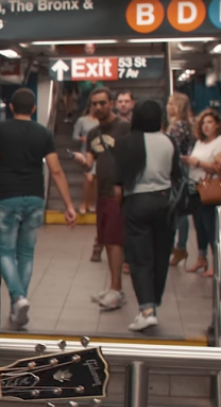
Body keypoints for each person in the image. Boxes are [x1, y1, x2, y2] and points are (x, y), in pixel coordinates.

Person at [0, 87, 77, 329]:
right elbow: (55, 169)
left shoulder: (1, 130)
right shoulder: (44, 133)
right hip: (34, 198)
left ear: (11, 108)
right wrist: (68, 204)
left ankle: (19, 297)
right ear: (33, 109)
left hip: (7, 197)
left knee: (4, 251)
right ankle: (17, 306)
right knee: (26, 253)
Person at [113, 100, 183, 332]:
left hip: (137, 202)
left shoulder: (125, 143)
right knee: (161, 254)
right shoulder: (169, 141)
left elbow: (118, 183)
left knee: (140, 258)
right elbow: (176, 175)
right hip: (164, 202)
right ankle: (154, 304)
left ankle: (146, 309)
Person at [72, 87, 132, 311]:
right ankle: (113, 286)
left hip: (119, 193)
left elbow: (133, 158)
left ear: (111, 103)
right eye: (94, 104)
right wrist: (81, 161)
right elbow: (90, 163)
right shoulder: (93, 134)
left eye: (102, 103)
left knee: (116, 241)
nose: (98, 107)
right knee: (107, 240)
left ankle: (116, 290)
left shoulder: (124, 128)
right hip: (103, 192)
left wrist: (124, 184)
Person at [183, 108, 221, 276]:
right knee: (199, 226)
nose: (206, 126)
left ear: (217, 125)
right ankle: (201, 257)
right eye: (203, 122)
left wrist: (196, 162)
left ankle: (216, 263)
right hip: (195, 188)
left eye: (210, 122)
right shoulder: (199, 142)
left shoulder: (219, 142)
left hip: (210, 188)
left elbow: (216, 166)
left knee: (211, 227)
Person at [166, 92, 195, 267]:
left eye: (171, 104)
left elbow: (172, 150)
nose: (168, 107)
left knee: (178, 208)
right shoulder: (187, 125)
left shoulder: (177, 127)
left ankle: (179, 247)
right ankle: (178, 246)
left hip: (177, 171)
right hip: (183, 169)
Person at [72, 100, 99, 215]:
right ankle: (83, 203)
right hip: (86, 152)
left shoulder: (101, 121)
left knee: (96, 180)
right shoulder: (82, 120)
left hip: (99, 151)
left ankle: (91, 204)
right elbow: (75, 136)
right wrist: (84, 139)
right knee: (89, 179)